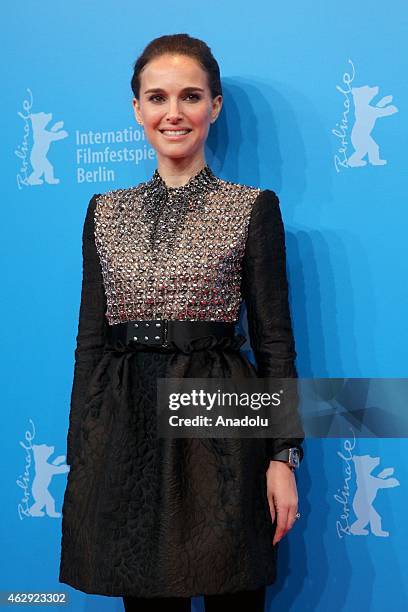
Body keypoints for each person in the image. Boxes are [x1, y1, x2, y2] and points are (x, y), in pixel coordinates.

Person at [59, 33, 305, 612]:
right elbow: (90, 340)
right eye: (158, 97)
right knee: (145, 598)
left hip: (220, 412)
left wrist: (282, 456)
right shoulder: (104, 211)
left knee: (233, 588)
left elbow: (274, 340)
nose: (174, 113)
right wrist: (82, 449)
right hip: (126, 419)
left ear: (214, 107)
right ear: (137, 108)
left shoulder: (251, 206)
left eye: (191, 97)